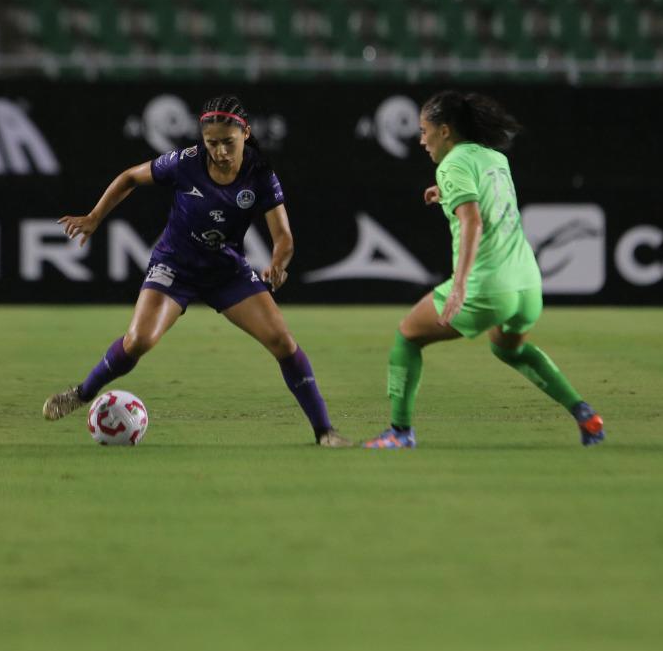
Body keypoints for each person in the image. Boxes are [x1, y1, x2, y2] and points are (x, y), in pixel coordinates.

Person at [42, 94, 350, 447]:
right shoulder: (185, 163)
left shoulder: (260, 175)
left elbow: (284, 238)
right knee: (138, 341)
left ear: (246, 134)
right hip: (175, 266)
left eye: (228, 143)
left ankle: (324, 431)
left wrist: (278, 265)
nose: (220, 152)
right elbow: (129, 177)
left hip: (227, 272)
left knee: (283, 341)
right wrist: (94, 217)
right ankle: (82, 394)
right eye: (212, 143)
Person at [363, 91, 605, 449]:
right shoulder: (494, 158)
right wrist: (445, 193)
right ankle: (585, 415)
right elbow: (492, 203)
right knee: (509, 349)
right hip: (526, 285)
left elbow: (473, 220)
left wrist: (459, 286)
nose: (421, 139)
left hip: (488, 286)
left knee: (407, 336)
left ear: (444, 131)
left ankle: (400, 433)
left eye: (424, 130)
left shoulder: (452, 165)